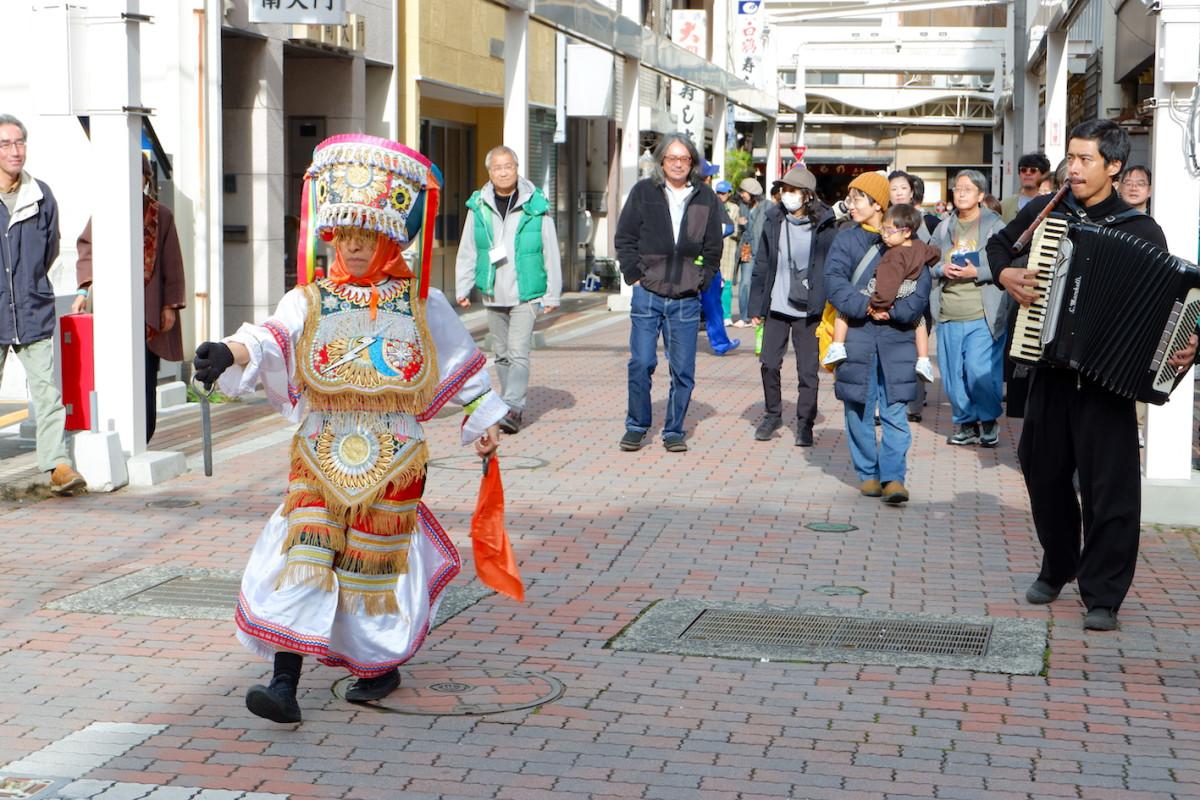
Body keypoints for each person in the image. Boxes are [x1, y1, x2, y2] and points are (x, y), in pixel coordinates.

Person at [192, 134, 507, 722]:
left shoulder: (422, 303)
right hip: (320, 450)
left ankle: (377, 666)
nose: (356, 246)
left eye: (368, 234)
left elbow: (461, 362)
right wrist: (228, 352)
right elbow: (270, 339)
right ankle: (283, 684)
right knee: (305, 551)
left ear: (390, 236)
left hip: (395, 454)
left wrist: (482, 418)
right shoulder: (308, 300)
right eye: (345, 234)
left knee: (373, 566)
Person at [988, 118, 1198, 631]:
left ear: (1114, 166)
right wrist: (1004, 273)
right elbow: (997, 247)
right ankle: (1059, 564)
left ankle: (1103, 594)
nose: (1074, 168)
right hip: (1048, 371)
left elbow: (1169, 303)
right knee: (1043, 475)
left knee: (1111, 492)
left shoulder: (1141, 229)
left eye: (1085, 159)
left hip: (1107, 385)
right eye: (1071, 157)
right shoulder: (1046, 209)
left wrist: (1189, 343)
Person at [823, 172, 931, 504]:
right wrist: (865, 306)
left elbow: (922, 287)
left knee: (896, 407)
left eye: (857, 199)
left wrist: (895, 311)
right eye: (850, 198)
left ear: (878, 204)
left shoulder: (907, 239)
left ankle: (893, 477)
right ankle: (868, 472)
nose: (851, 205)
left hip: (898, 338)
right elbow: (833, 279)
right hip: (856, 333)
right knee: (858, 406)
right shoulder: (846, 239)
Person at [614, 132, 723, 453]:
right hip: (648, 291)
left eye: (684, 158)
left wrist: (702, 279)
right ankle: (637, 425)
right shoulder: (644, 191)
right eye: (672, 158)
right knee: (642, 362)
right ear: (661, 161)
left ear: (692, 162)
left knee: (683, 369)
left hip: (686, 296)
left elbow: (713, 246)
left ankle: (674, 430)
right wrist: (634, 275)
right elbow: (625, 237)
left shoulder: (705, 197)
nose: (678, 164)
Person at [73, 155, 186, 443]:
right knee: (113, 372)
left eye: (138, 175)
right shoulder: (105, 211)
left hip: (148, 308)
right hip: (114, 310)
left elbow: (172, 262)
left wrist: (169, 305)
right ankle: (116, 434)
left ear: (146, 179)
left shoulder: (161, 214)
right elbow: (87, 248)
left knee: (145, 373)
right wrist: (84, 289)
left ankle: (143, 433)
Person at [0, 114, 85, 495]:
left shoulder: (40, 195)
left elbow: (50, 249)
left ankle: (57, 465)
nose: (15, 151)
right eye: (6, 144)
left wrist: (29, 284)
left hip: (32, 309)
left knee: (48, 394)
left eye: (20, 142)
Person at [455, 145, 561, 435]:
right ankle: (509, 405)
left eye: (508, 166)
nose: (503, 172)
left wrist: (552, 292)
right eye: (497, 168)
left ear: (517, 168)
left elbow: (550, 250)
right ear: (490, 172)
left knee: (518, 351)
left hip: (526, 292)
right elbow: (468, 249)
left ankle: (513, 405)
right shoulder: (478, 206)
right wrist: (463, 286)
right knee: (500, 353)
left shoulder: (535, 204)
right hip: (493, 290)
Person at [747, 166, 837, 446]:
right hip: (776, 306)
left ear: (807, 195)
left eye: (792, 190)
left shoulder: (825, 225)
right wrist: (755, 306)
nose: (786, 195)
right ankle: (772, 415)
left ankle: (805, 423)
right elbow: (762, 263)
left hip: (809, 310)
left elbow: (832, 266)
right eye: (784, 190)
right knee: (768, 363)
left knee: (807, 371)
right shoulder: (774, 219)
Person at [929, 170, 1008, 447]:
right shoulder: (943, 227)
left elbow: (1008, 265)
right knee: (952, 376)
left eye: (968, 189)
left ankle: (988, 420)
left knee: (978, 370)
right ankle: (966, 424)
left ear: (980, 195)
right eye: (957, 188)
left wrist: (978, 272)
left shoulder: (995, 226)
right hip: (948, 311)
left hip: (982, 314)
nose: (961, 193)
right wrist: (941, 269)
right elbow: (929, 261)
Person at [824, 203, 938, 385]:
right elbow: (935, 253)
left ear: (906, 232)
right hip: (908, 289)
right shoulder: (919, 246)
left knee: (843, 310)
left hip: (885, 295)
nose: (884, 235)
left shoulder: (892, 255)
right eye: (883, 230)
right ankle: (924, 360)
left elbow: (887, 286)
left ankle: (837, 346)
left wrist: (876, 305)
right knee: (920, 322)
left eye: (889, 231)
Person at [696, 163, 739, 356]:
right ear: (706, 178)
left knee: (679, 308)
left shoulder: (676, 197)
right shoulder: (710, 198)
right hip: (708, 262)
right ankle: (720, 343)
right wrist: (709, 237)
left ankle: (674, 348)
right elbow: (728, 227)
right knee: (713, 305)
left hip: (682, 263)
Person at [732, 177, 765, 327]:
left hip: (763, 250)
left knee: (760, 283)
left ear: (752, 193)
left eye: (744, 192)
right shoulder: (741, 206)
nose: (742, 195)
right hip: (747, 249)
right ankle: (744, 316)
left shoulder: (767, 207)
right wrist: (738, 224)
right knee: (745, 283)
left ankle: (757, 316)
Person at [1000, 152, 1051, 223]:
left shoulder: (1050, 204)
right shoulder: (1005, 205)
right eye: (1023, 170)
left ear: (1043, 175)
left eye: (1033, 170)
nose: (1028, 173)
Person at [715, 180, 739, 324]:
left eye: (723, 193)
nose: (720, 196)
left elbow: (735, 229)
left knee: (727, 283)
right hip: (713, 248)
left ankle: (726, 315)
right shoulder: (711, 204)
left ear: (729, 193)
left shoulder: (734, 208)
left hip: (729, 248)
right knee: (714, 283)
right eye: (718, 193)